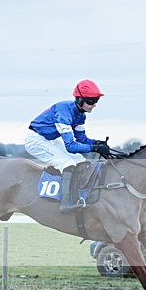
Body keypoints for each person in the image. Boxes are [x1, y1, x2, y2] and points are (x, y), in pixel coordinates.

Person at [24, 79, 111, 213]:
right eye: (91, 101)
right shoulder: (64, 112)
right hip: (35, 140)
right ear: (80, 99)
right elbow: (70, 146)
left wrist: (97, 143)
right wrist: (94, 148)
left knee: (80, 161)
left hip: (50, 140)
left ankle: (78, 196)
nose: (94, 105)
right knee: (67, 163)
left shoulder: (81, 116)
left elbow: (82, 139)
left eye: (96, 101)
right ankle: (65, 203)